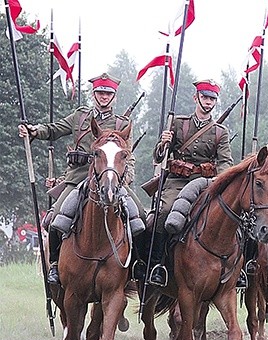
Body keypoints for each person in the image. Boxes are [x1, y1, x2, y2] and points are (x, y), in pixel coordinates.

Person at [18, 73, 140, 285]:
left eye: (108, 93)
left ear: (114, 96)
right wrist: (34, 131)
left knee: (141, 218)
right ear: (94, 94)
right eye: (100, 93)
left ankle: (138, 267)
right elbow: (55, 129)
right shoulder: (80, 117)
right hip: (79, 177)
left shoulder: (123, 123)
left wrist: (125, 178)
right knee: (55, 219)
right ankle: (55, 265)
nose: (104, 97)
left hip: (110, 179)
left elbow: (128, 156)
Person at [149, 79, 233, 287]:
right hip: (177, 181)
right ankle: (156, 263)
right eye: (205, 97)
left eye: (212, 98)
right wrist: (163, 143)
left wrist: (220, 181)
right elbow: (159, 157)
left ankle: (232, 267)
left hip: (204, 183)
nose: (208, 102)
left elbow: (225, 162)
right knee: (163, 212)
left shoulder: (220, 132)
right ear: (196, 98)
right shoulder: (177, 123)